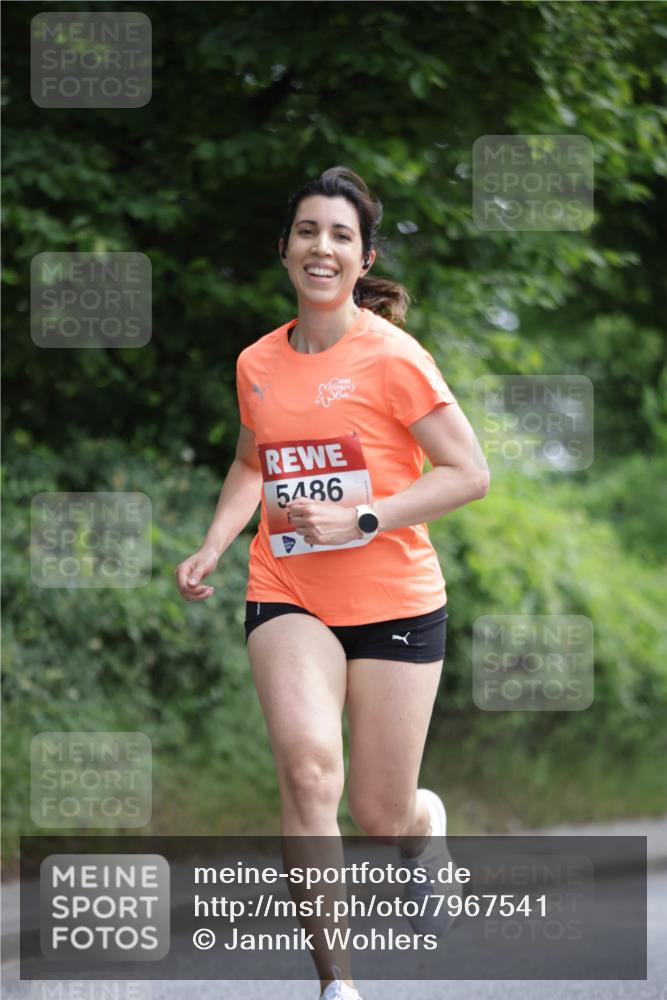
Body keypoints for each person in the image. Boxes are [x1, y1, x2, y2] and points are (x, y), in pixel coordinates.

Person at [175, 166, 490, 1000]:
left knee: (379, 816)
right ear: (284, 250)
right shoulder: (256, 363)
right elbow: (252, 461)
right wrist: (214, 542)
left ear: (363, 258)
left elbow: (468, 474)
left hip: (394, 600)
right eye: (308, 231)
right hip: (289, 589)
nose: (322, 246)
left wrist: (363, 519)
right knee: (310, 771)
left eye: (340, 235)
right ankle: (337, 987)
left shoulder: (395, 359)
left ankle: (425, 830)